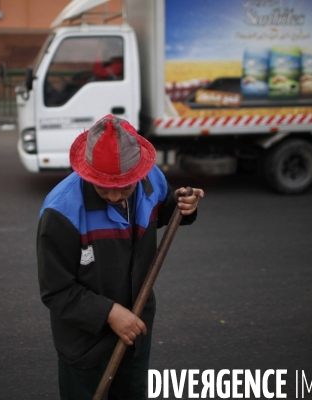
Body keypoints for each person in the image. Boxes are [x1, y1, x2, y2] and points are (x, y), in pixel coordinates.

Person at [37, 115, 204, 399]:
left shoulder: (151, 180)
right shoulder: (60, 212)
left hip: (135, 331)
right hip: (84, 346)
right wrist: (111, 314)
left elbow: (163, 212)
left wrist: (183, 205)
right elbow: (56, 290)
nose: (115, 197)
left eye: (125, 187)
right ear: (88, 172)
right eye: (104, 188)